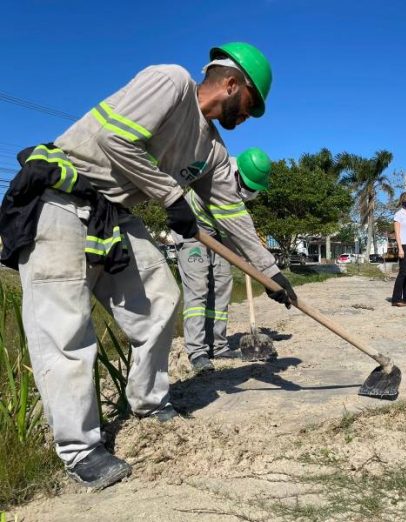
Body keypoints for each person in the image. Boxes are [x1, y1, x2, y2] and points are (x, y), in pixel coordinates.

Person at [0, 42, 297, 489]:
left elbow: (232, 212)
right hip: (61, 200)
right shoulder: (171, 82)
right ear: (233, 84)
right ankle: (80, 449)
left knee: (162, 298)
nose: (248, 118)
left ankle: (150, 403)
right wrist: (172, 195)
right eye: (251, 107)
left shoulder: (213, 151)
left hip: (112, 214)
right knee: (66, 330)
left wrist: (270, 271)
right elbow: (113, 139)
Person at [173, 148, 272, 373]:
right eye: (248, 187)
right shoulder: (216, 176)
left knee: (222, 286)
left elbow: (240, 230)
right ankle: (197, 352)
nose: (250, 192)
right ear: (238, 175)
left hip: (216, 235)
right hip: (192, 232)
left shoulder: (240, 189)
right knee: (198, 288)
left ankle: (217, 345)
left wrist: (259, 267)